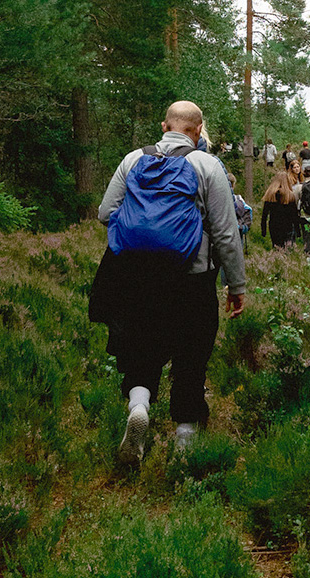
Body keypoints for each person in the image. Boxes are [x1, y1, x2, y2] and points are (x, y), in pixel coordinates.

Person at [96, 101, 246, 464]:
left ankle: (140, 405)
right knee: (191, 357)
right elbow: (226, 233)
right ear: (197, 131)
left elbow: (105, 214)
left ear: (164, 126)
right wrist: (236, 286)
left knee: (141, 347)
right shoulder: (207, 166)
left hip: (138, 279)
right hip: (192, 281)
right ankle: (184, 440)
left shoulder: (133, 160)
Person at [261, 171, 299, 248]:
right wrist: (298, 230)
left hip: (274, 225)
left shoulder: (270, 195)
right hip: (287, 226)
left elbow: (264, 214)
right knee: (287, 249)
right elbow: (294, 215)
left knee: (276, 247)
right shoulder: (290, 196)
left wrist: (263, 229)